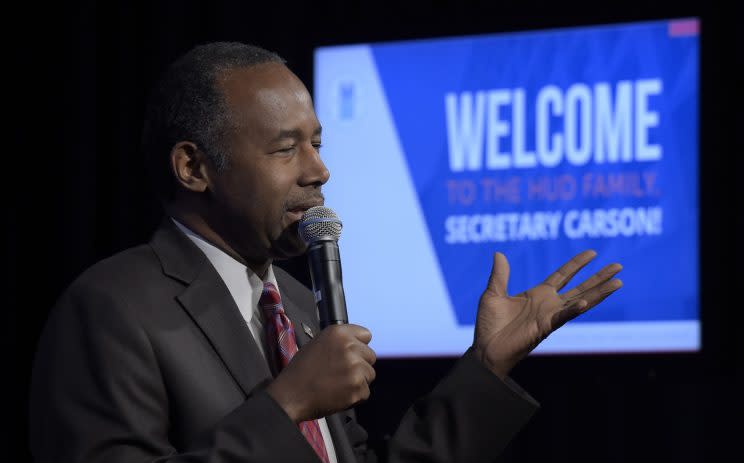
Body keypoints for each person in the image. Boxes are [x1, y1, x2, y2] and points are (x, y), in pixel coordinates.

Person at [29, 42, 623, 462]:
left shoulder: (294, 305)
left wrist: (487, 368)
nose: (320, 169)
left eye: (316, 142)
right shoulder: (113, 308)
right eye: (286, 149)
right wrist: (286, 403)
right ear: (194, 167)